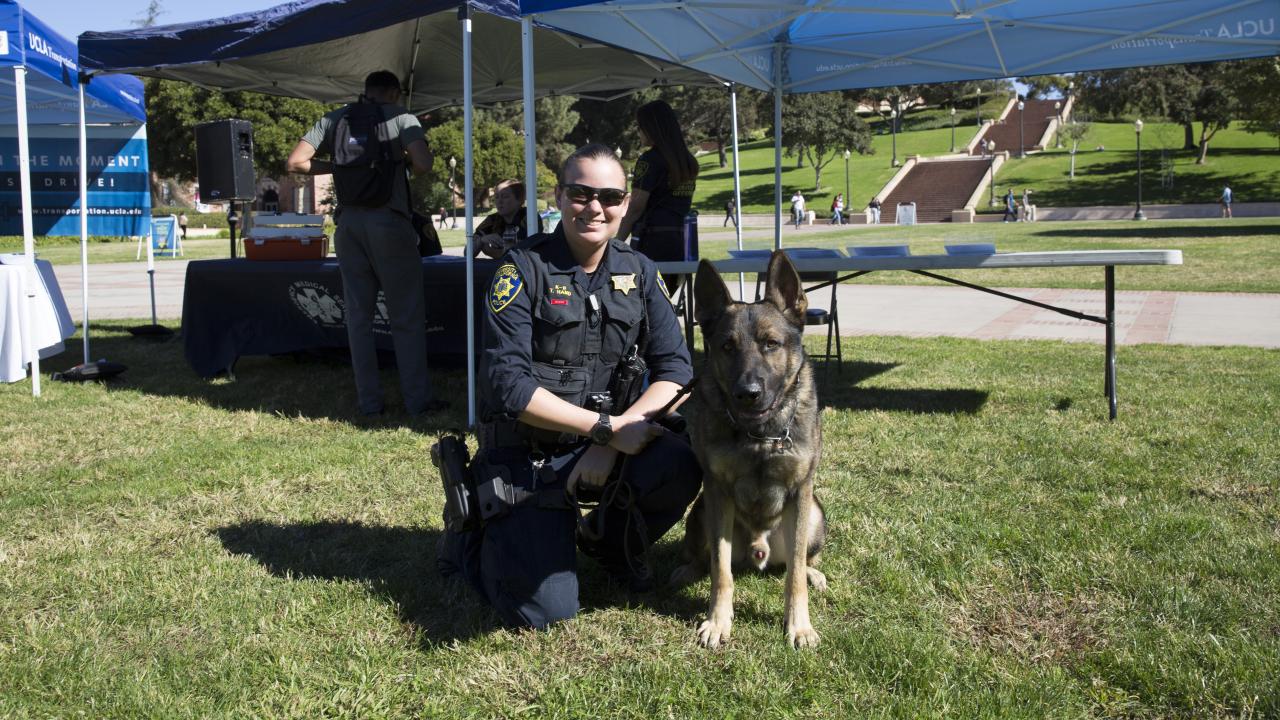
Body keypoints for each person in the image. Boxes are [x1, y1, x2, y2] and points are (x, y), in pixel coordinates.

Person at [438, 143, 701, 629]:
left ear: (625, 203)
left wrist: (617, 434)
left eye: (610, 196)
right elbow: (508, 386)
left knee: (679, 463)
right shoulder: (521, 269)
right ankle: (473, 538)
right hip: (529, 455)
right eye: (581, 193)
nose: (595, 207)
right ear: (558, 197)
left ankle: (607, 541)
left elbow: (677, 371)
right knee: (546, 612)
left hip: (607, 442)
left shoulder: (639, 271)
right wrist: (604, 431)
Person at [286, 69, 445, 416]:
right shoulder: (402, 117)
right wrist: (398, 161)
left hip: (349, 225)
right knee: (406, 315)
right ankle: (418, 401)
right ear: (393, 92)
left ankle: (369, 403)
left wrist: (341, 167)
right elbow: (423, 163)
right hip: (389, 222)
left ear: (366, 90)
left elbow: (296, 162)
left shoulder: (335, 117)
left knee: (358, 318)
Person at [617, 100, 699, 265]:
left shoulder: (649, 161)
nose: (638, 132)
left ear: (651, 128)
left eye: (640, 127)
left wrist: (617, 244)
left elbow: (635, 208)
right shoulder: (688, 161)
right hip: (682, 243)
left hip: (652, 243)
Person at [473, 182, 542, 259]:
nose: (499, 201)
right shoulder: (492, 219)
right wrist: (481, 240)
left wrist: (492, 252)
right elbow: (468, 252)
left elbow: (522, 253)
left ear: (520, 200)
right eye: (496, 197)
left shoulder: (529, 217)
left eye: (505, 196)